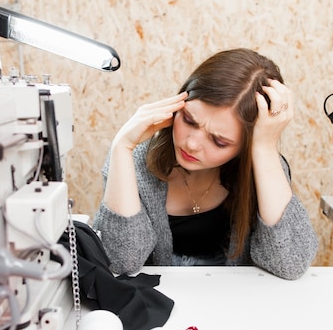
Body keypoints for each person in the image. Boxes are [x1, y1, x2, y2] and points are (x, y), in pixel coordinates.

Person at [92, 48, 318, 279]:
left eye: (219, 141)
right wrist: (121, 147)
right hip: (154, 308)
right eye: (189, 120)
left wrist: (264, 148)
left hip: (235, 306)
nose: (192, 144)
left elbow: (290, 264)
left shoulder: (265, 167)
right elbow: (119, 261)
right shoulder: (134, 162)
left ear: (245, 145)